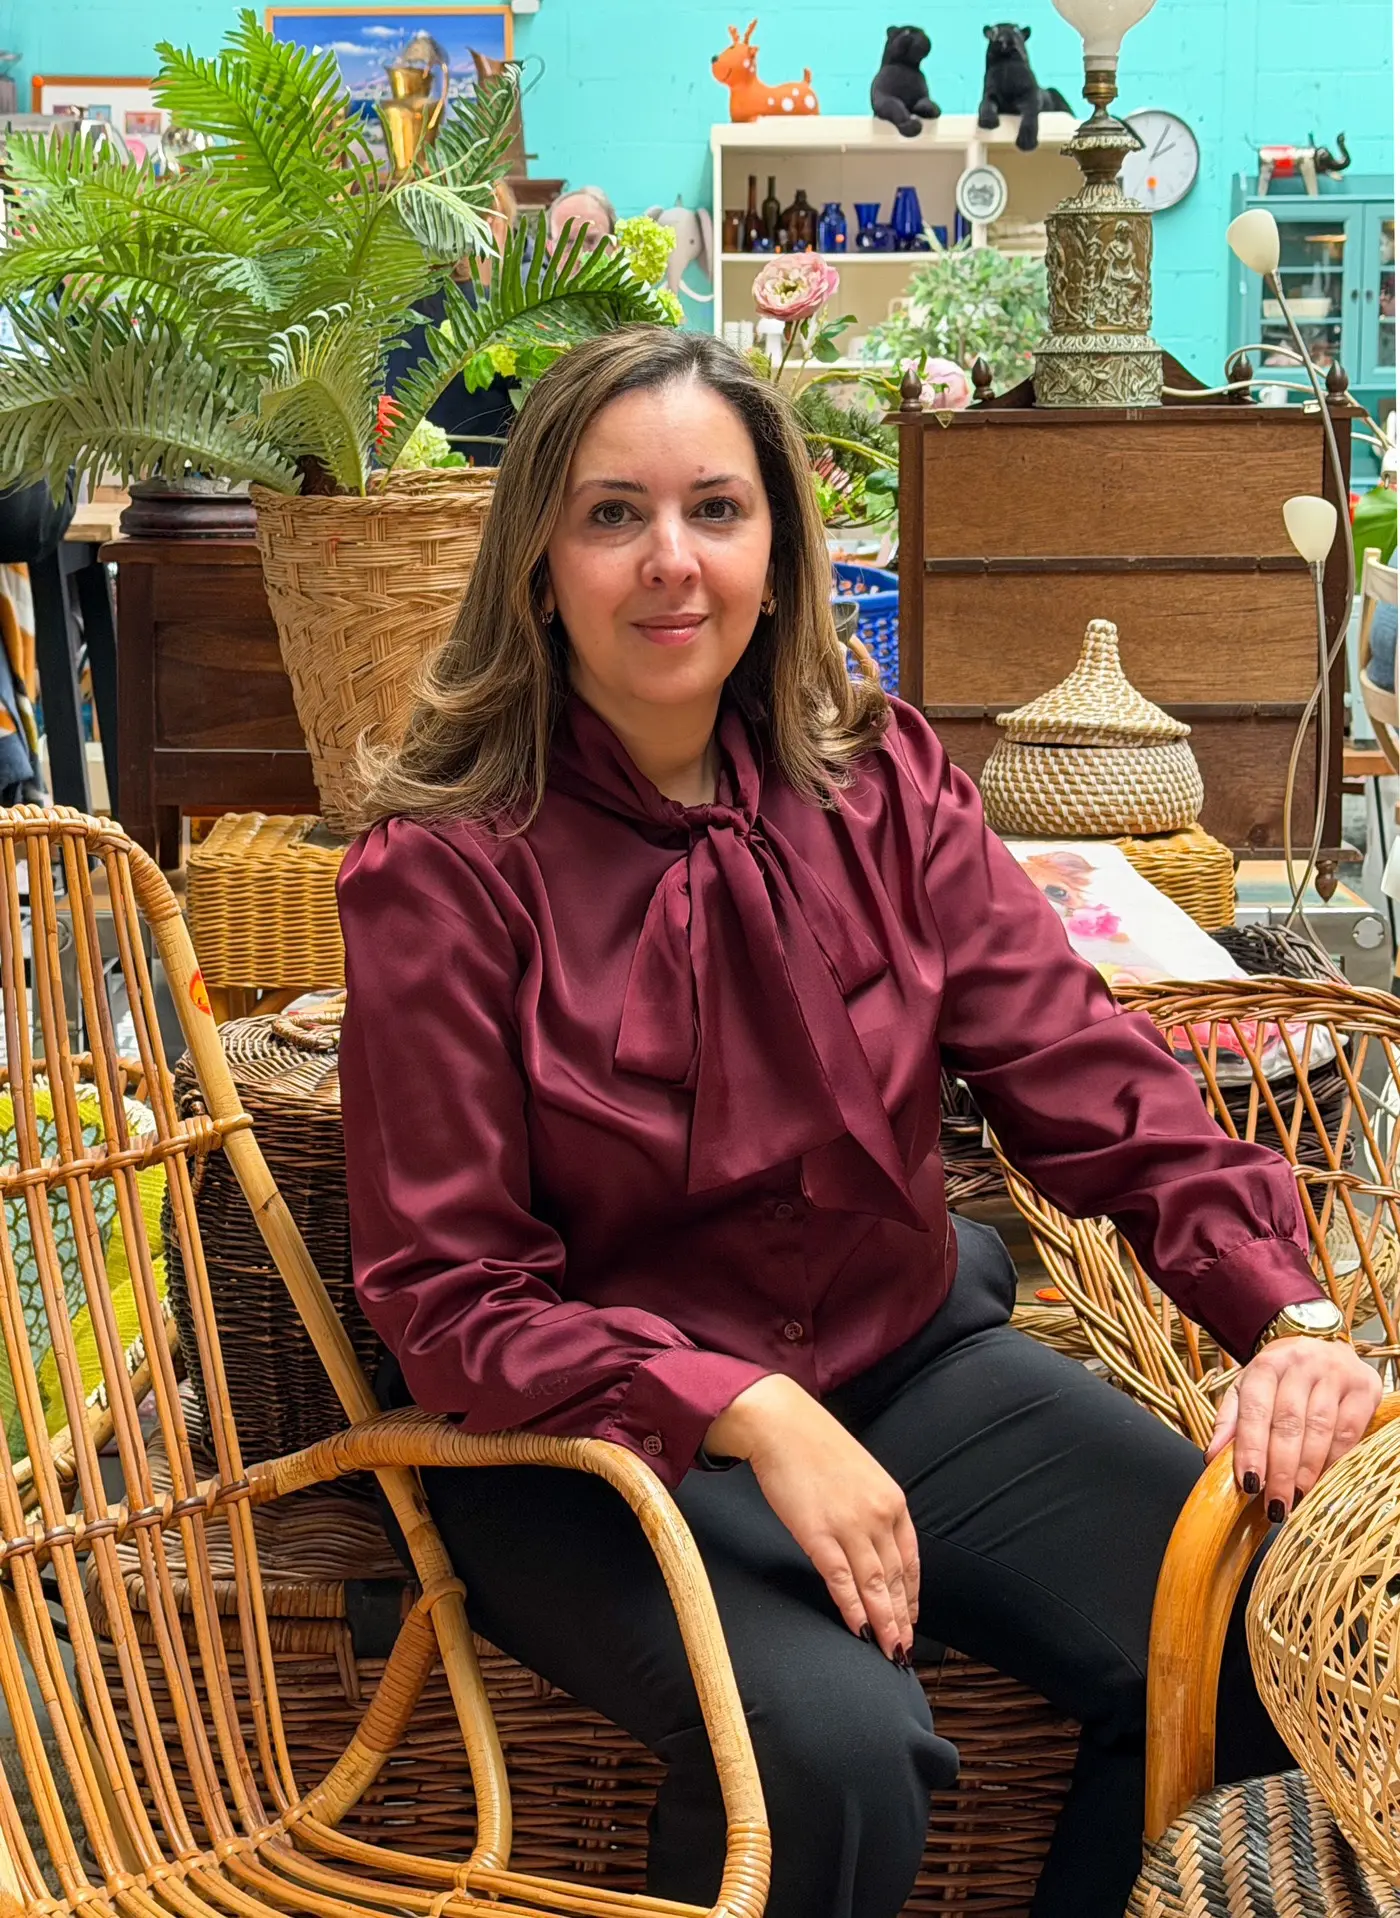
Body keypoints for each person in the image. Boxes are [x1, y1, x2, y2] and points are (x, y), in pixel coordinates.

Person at [336, 326, 1380, 1918]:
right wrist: (746, 1406)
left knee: (1267, 1637)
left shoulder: (882, 783)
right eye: (614, 515)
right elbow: (447, 1288)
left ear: (778, 551)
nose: (672, 561)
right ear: (539, 564)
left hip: (909, 1367)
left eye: (717, 509)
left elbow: (1079, 1063)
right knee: (832, 1753)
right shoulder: (443, 873)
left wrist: (1287, 1313)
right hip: (584, 1446)